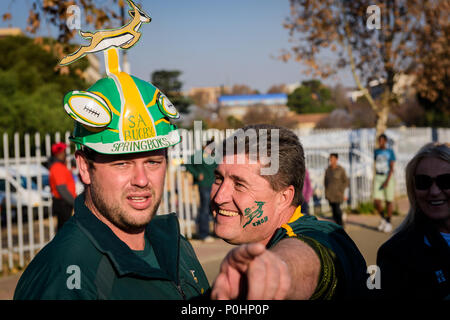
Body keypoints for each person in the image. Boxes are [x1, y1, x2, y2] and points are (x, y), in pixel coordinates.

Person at [14, 46, 209, 299]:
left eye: (152, 162)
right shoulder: (65, 274)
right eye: (122, 163)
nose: (141, 180)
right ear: (84, 167)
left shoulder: (175, 243)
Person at [210, 124, 368, 300]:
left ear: (283, 198)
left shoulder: (321, 236)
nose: (219, 197)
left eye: (239, 184)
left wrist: (274, 271)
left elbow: (307, 259)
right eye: (218, 178)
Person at [377, 142, 450, 300]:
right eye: (423, 182)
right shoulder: (395, 255)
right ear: (413, 190)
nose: (435, 191)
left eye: (446, 181)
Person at [184, 139, 217, 242]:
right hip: (204, 186)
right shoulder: (199, 155)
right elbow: (188, 164)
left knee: (214, 209)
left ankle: (216, 232)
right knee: (205, 209)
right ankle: (203, 234)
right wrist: (197, 174)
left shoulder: (214, 156)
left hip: (214, 186)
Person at [48, 142, 77, 231]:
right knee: (65, 232)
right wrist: (75, 203)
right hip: (63, 203)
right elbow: (62, 189)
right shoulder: (57, 167)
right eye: (64, 152)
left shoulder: (59, 166)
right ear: (58, 154)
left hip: (64, 203)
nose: (65, 154)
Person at [373, 133, 396, 233]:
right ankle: (383, 218)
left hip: (388, 177)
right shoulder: (376, 151)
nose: (380, 142)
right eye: (379, 140)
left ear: (385, 141)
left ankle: (389, 222)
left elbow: (391, 167)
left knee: (388, 201)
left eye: (382, 140)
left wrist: (387, 181)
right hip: (378, 176)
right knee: (376, 201)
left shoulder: (390, 151)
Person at [324, 153, 349, 226]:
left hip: (338, 194)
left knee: (337, 210)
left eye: (333, 159)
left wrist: (342, 191)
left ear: (336, 159)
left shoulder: (341, 170)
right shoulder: (328, 170)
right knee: (334, 212)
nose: (331, 160)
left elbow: (346, 181)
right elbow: (325, 182)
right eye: (330, 159)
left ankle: (341, 225)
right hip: (330, 194)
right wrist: (326, 193)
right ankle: (338, 225)